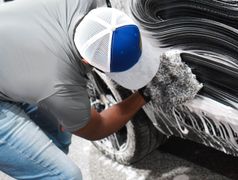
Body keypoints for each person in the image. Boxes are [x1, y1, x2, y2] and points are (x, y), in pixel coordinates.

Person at [0, 0, 160, 179]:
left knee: (59, 138)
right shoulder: (59, 84)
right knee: (64, 175)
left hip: (13, 50)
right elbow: (97, 128)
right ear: (86, 61)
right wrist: (144, 95)